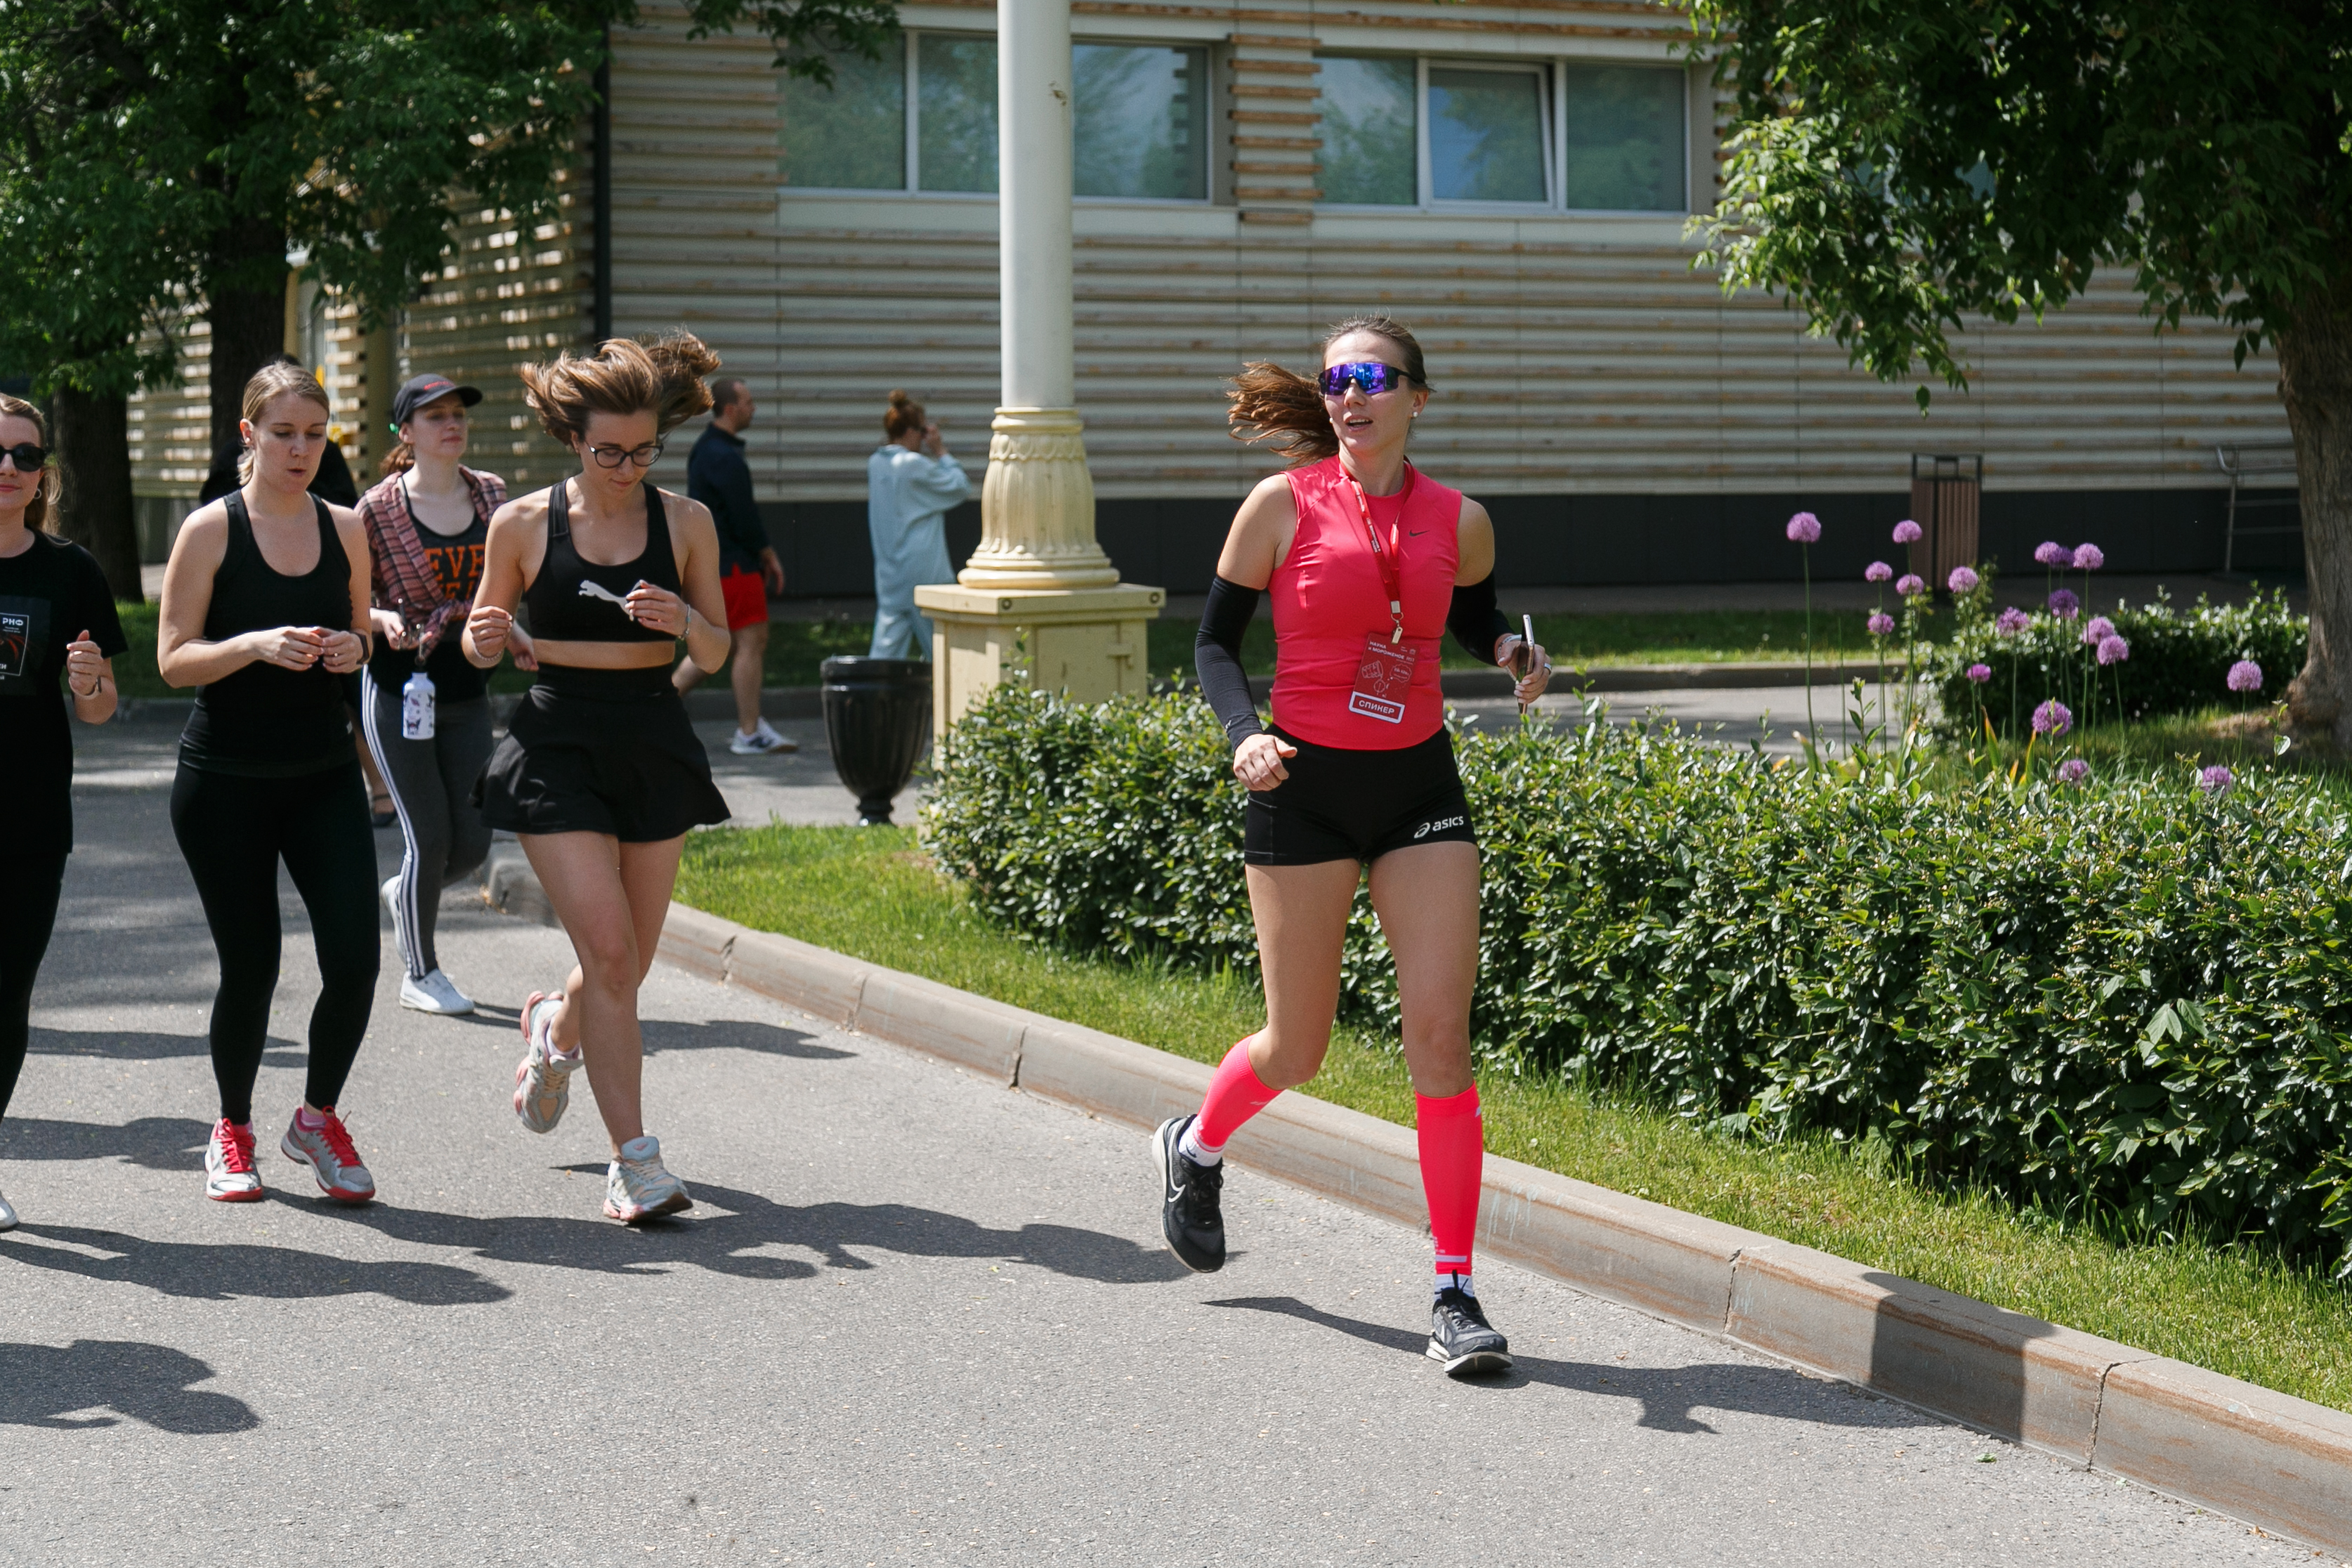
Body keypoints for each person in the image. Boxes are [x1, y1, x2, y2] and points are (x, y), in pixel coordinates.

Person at [1158, 315, 1552, 1376]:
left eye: (1371, 376)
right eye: (1336, 378)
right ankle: (1195, 1147)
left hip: (1419, 785)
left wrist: (1511, 649)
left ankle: (1456, 1290)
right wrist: (1244, 736)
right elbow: (1211, 642)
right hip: (1304, 789)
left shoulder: (1460, 518)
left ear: (1418, 396)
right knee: (1299, 1047)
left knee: (1439, 1036)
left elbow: (1471, 619)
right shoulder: (1280, 505)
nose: (1349, 393)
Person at [465, 332, 733, 1224]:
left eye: (644, 450)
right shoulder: (522, 524)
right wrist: (486, 638)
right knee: (612, 956)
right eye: (607, 450)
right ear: (572, 439)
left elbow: (719, 647)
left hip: (653, 737)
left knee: (625, 966)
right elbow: (478, 634)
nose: (626, 466)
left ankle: (554, 1029)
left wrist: (685, 616)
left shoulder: (686, 522)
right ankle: (637, 1164)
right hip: (557, 742)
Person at [159, 362, 380, 1207]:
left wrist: (352, 650)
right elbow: (173, 660)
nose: (301, 450)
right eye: (283, 433)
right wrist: (253, 644)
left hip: (321, 774)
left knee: (357, 961)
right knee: (251, 966)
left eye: (316, 435)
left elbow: (362, 636)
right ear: (248, 434)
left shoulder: (347, 527)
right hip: (224, 783)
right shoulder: (211, 530)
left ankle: (316, 1119)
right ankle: (233, 1129)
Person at [357, 373, 529, 1016]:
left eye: (458, 414)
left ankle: (405, 892)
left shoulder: (491, 495)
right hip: (399, 689)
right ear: (406, 433)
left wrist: (514, 632)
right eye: (435, 417)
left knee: (475, 840)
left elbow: (502, 586)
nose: (451, 424)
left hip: (465, 690)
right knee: (429, 835)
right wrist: (379, 620)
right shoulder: (375, 510)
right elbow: (350, 600)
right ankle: (420, 972)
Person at [0, 394, 127, 1231]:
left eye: (24, 454)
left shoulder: (69, 570)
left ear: (43, 471)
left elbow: (101, 709)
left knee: (6, 993)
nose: (7, 468)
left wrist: (88, 682)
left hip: (28, 814)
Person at [673, 376, 792, 754]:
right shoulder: (723, 456)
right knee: (750, 642)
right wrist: (768, 554)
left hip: (718, 563)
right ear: (730, 408)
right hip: (735, 565)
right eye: (748, 402)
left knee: (714, 647)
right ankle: (749, 731)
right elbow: (743, 516)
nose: (753, 408)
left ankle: (654, 705)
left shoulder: (708, 449)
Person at [865, 391, 968, 660]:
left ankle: (875, 700)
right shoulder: (913, 465)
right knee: (943, 652)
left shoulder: (876, 464)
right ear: (911, 431)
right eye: (922, 431)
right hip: (925, 575)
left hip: (890, 575)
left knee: (884, 656)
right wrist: (940, 451)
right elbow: (959, 487)